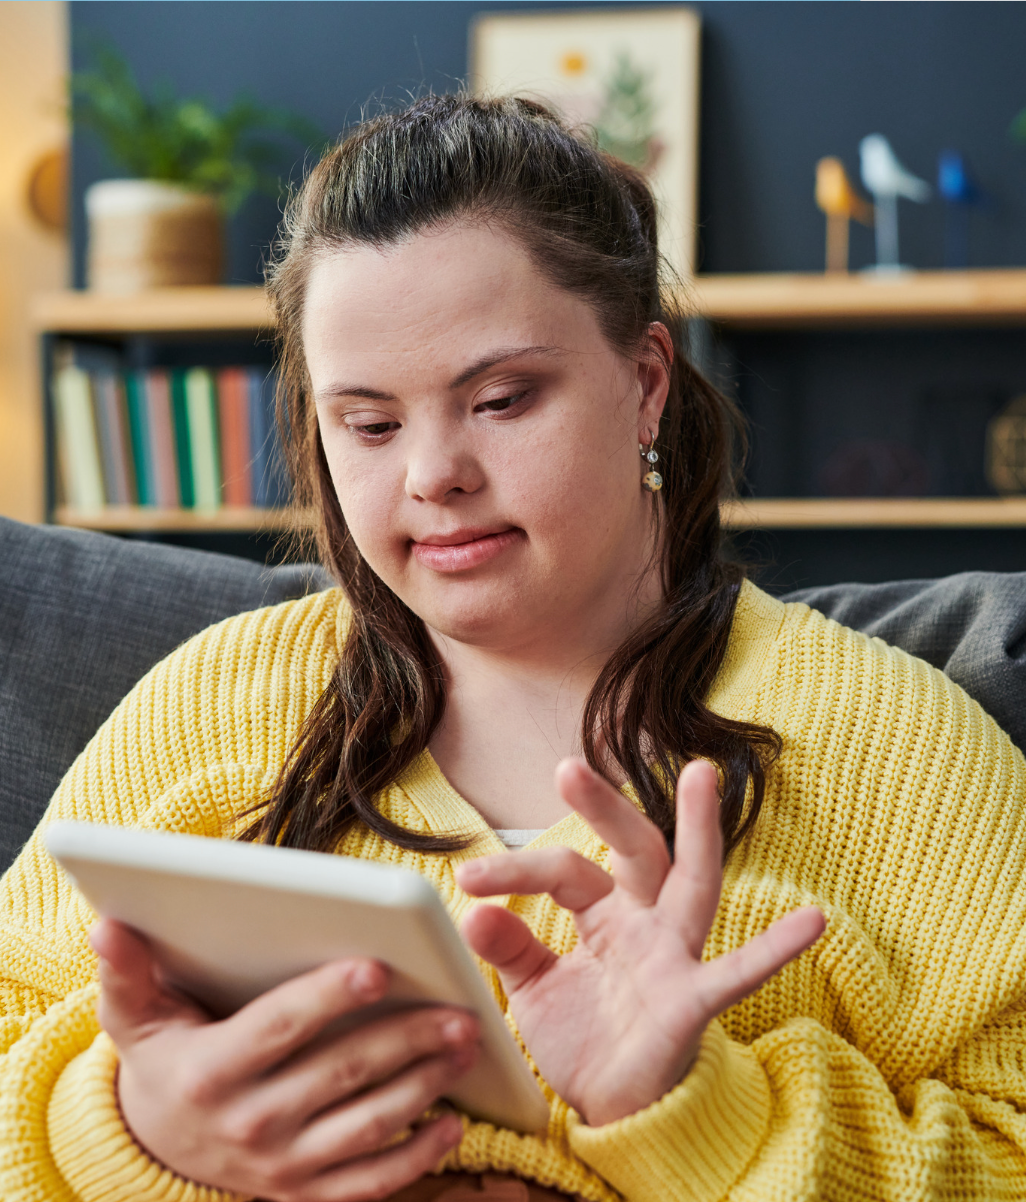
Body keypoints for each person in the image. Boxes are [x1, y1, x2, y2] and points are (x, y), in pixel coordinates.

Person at [2, 94, 1025, 1202]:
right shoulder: (209, 705)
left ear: (644, 384)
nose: (433, 472)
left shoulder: (899, 746)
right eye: (371, 423)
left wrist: (703, 1112)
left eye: (499, 399)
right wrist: (125, 1123)